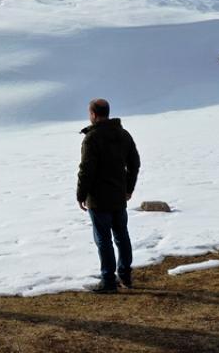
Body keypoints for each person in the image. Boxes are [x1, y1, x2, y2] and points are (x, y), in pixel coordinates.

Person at [76, 97, 141, 294]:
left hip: (98, 199)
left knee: (103, 240)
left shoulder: (92, 138)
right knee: (122, 236)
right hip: (119, 196)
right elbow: (135, 163)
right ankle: (125, 276)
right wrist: (128, 188)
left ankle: (108, 281)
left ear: (93, 114)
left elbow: (86, 170)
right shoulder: (123, 134)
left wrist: (81, 194)